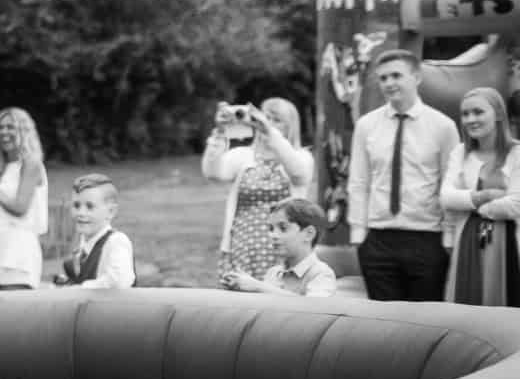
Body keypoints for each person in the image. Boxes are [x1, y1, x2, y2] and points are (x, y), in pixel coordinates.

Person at [347, 49, 459, 301]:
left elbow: (449, 182)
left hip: (426, 237)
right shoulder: (366, 125)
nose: (389, 83)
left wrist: (449, 236)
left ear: (416, 77)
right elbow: (359, 182)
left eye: (396, 75)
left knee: (425, 322)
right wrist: (358, 235)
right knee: (383, 323)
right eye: (383, 78)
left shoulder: (443, 126)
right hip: (377, 238)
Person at [202, 98, 315, 282]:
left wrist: (270, 133)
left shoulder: (301, 157)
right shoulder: (244, 156)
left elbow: (298, 174)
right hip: (243, 247)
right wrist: (220, 133)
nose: (268, 124)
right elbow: (212, 172)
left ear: (290, 127)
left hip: (285, 249)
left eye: (277, 120)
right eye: (266, 118)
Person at [440, 88, 520, 305]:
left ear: (498, 114)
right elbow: (446, 197)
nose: (470, 119)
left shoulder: (516, 154)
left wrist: (474, 206)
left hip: (509, 243)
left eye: (478, 112)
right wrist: (487, 195)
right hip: (467, 241)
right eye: (465, 114)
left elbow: (516, 204)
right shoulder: (460, 153)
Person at [0, 107, 48, 290]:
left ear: (23, 131)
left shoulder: (31, 163)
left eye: (11, 127)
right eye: (0, 128)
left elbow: (20, 207)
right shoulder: (2, 167)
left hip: (19, 249)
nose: (4, 132)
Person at [222, 197, 336, 297]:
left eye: (283, 228)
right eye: (271, 229)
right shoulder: (273, 273)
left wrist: (257, 287)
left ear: (309, 234)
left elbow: (315, 309)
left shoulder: (321, 273)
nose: (273, 235)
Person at [53, 173, 135, 288]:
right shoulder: (79, 249)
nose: (81, 213)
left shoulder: (116, 242)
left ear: (111, 212)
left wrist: (81, 288)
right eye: (76, 206)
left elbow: (120, 279)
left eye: (90, 207)